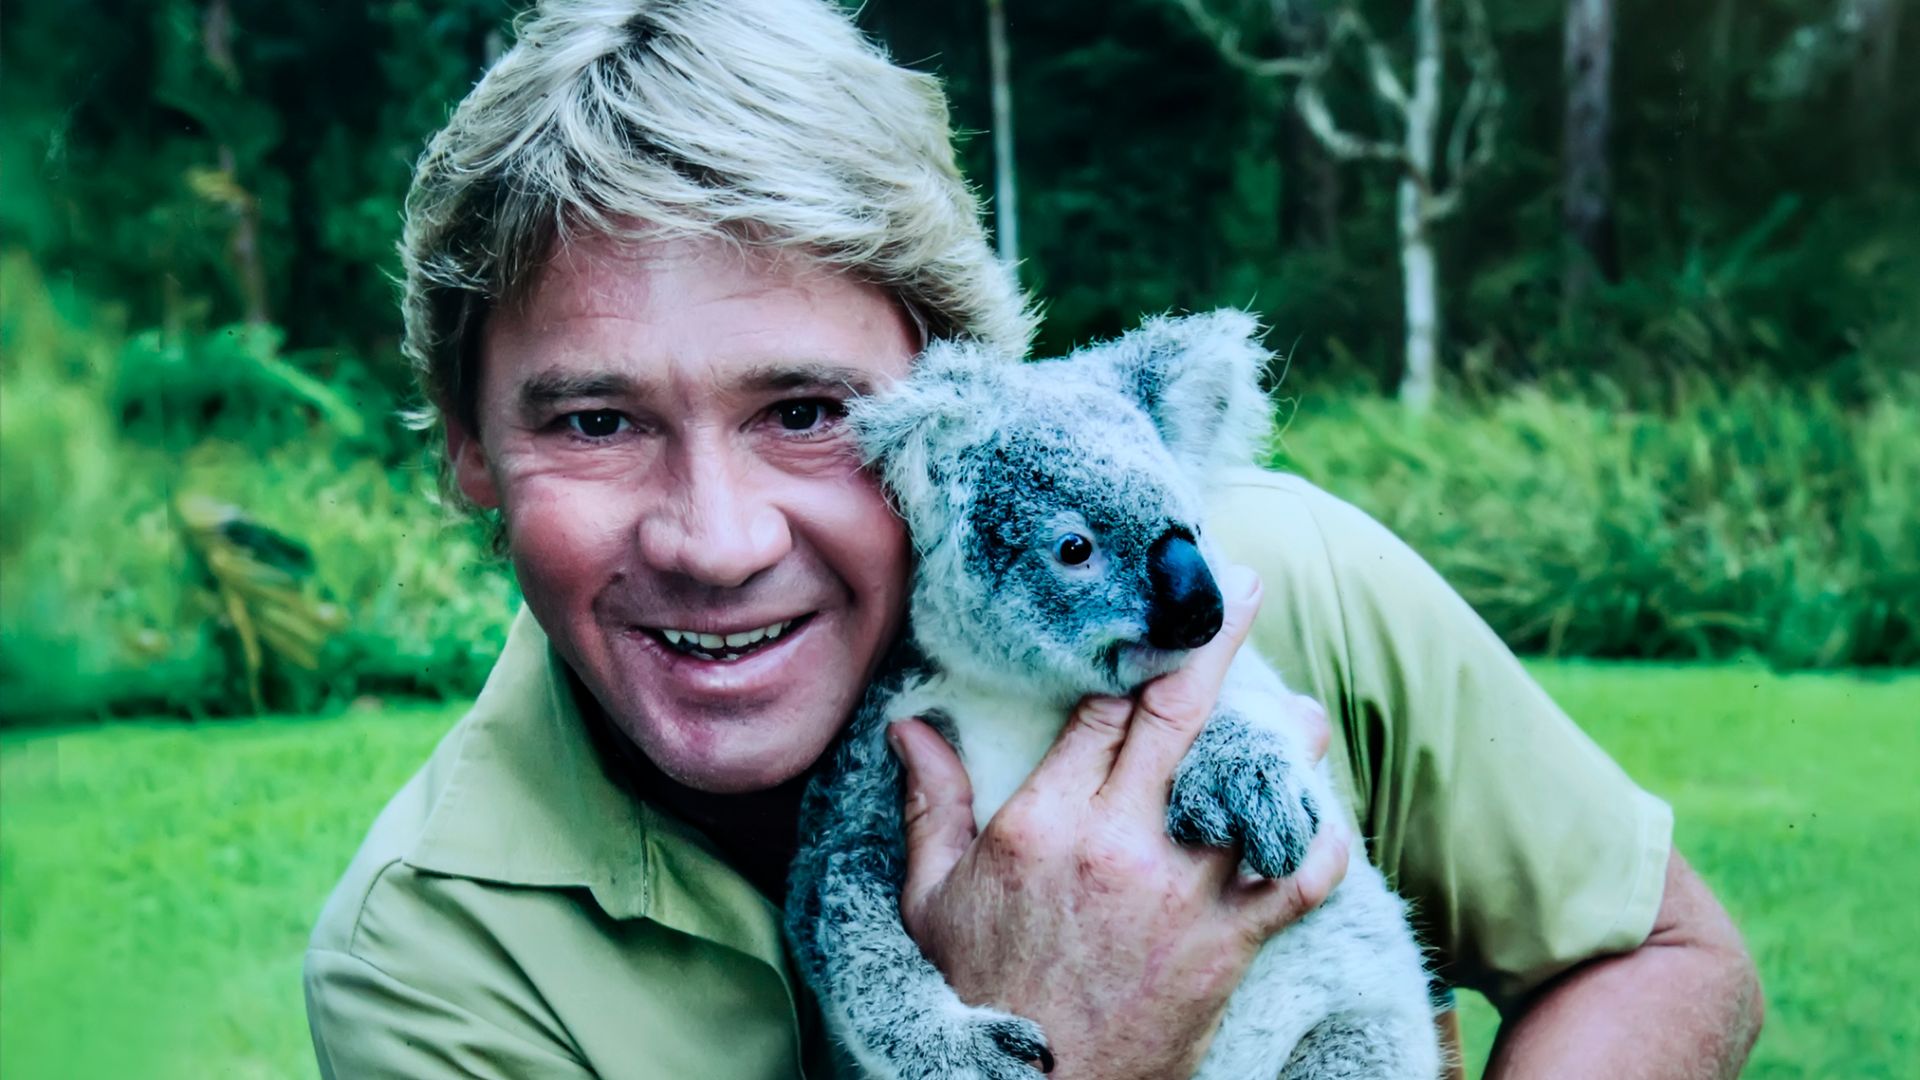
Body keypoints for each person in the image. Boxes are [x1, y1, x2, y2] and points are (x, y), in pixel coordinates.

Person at [303, 1, 1764, 1077]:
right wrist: (1082, 1042)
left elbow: (1661, 956)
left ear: (961, 404)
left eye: (808, 410)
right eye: (596, 423)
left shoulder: (1264, 580)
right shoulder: (428, 963)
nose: (715, 539)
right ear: (467, 446)